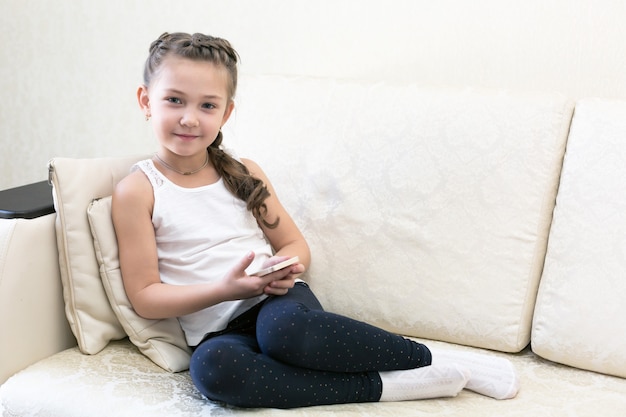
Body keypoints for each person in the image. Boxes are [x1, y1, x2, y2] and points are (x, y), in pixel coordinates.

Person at [112, 32, 520, 409]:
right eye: (175, 100)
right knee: (213, 371)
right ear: (146, 101)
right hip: (218, 332)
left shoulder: (243, 172)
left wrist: (282, 268)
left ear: (226, 112)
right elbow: (146, 296)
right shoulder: (139, 190)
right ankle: (392, 386)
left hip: (276, 304)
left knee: (284, 335)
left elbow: (293, 244)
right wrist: (224, 289)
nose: (189, 118)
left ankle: (433, 359)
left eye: (207, 105)